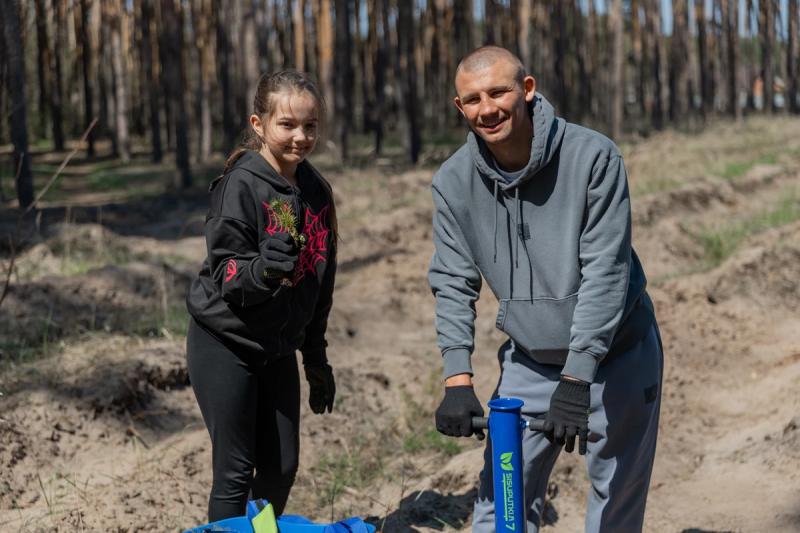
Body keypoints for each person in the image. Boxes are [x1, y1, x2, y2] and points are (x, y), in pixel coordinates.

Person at [428, 46, 663, 532]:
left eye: (498, 92)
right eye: (472, 99)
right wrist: (457, 380)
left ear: (527, 90)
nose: (487, 109)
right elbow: (453, 280)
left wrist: (577, 379)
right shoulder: (453, 183)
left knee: (614, 505)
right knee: (500, 508)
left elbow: (606, 272)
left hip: (617, 353)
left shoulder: (592, 156)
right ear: (459, 108)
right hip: (529, 360)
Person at [185, 70, 338, 522]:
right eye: (287, 124)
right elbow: (229, 275)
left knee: (281, 467)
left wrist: (315, 358)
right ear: (259, 124)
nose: (300, 136)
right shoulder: (240, 185)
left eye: (310, 126)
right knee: (234, 472)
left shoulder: (316, 192)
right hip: (225, 342)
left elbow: (318, 283)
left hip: (277, 349)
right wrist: (264, 269)